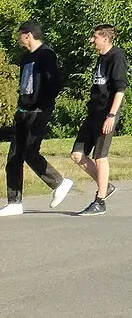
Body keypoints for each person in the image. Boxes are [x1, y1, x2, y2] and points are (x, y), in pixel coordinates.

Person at [3, 22, 73, 216]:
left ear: (28, 35)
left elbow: (55, 82)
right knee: (14, 157)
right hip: (23, 111)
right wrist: (20, 106)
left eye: (20, 35)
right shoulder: (26, 58)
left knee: (30, 152)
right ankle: (14, 202)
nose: (18, 39)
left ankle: (59, 183)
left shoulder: (46, 54)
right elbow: (25, 86)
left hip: (39, 111)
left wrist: (42, 104)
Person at [70, 25, 129, 217]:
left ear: (105, 38)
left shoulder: (116, 57)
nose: (91, 40)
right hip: (93, 113)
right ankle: (106, 186)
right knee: (77, 155)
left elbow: (120, 90)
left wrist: (111, 115)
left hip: (106, 114)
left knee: (100, 156)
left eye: (94, 37)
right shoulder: (101, 58)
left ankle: (100, 201)